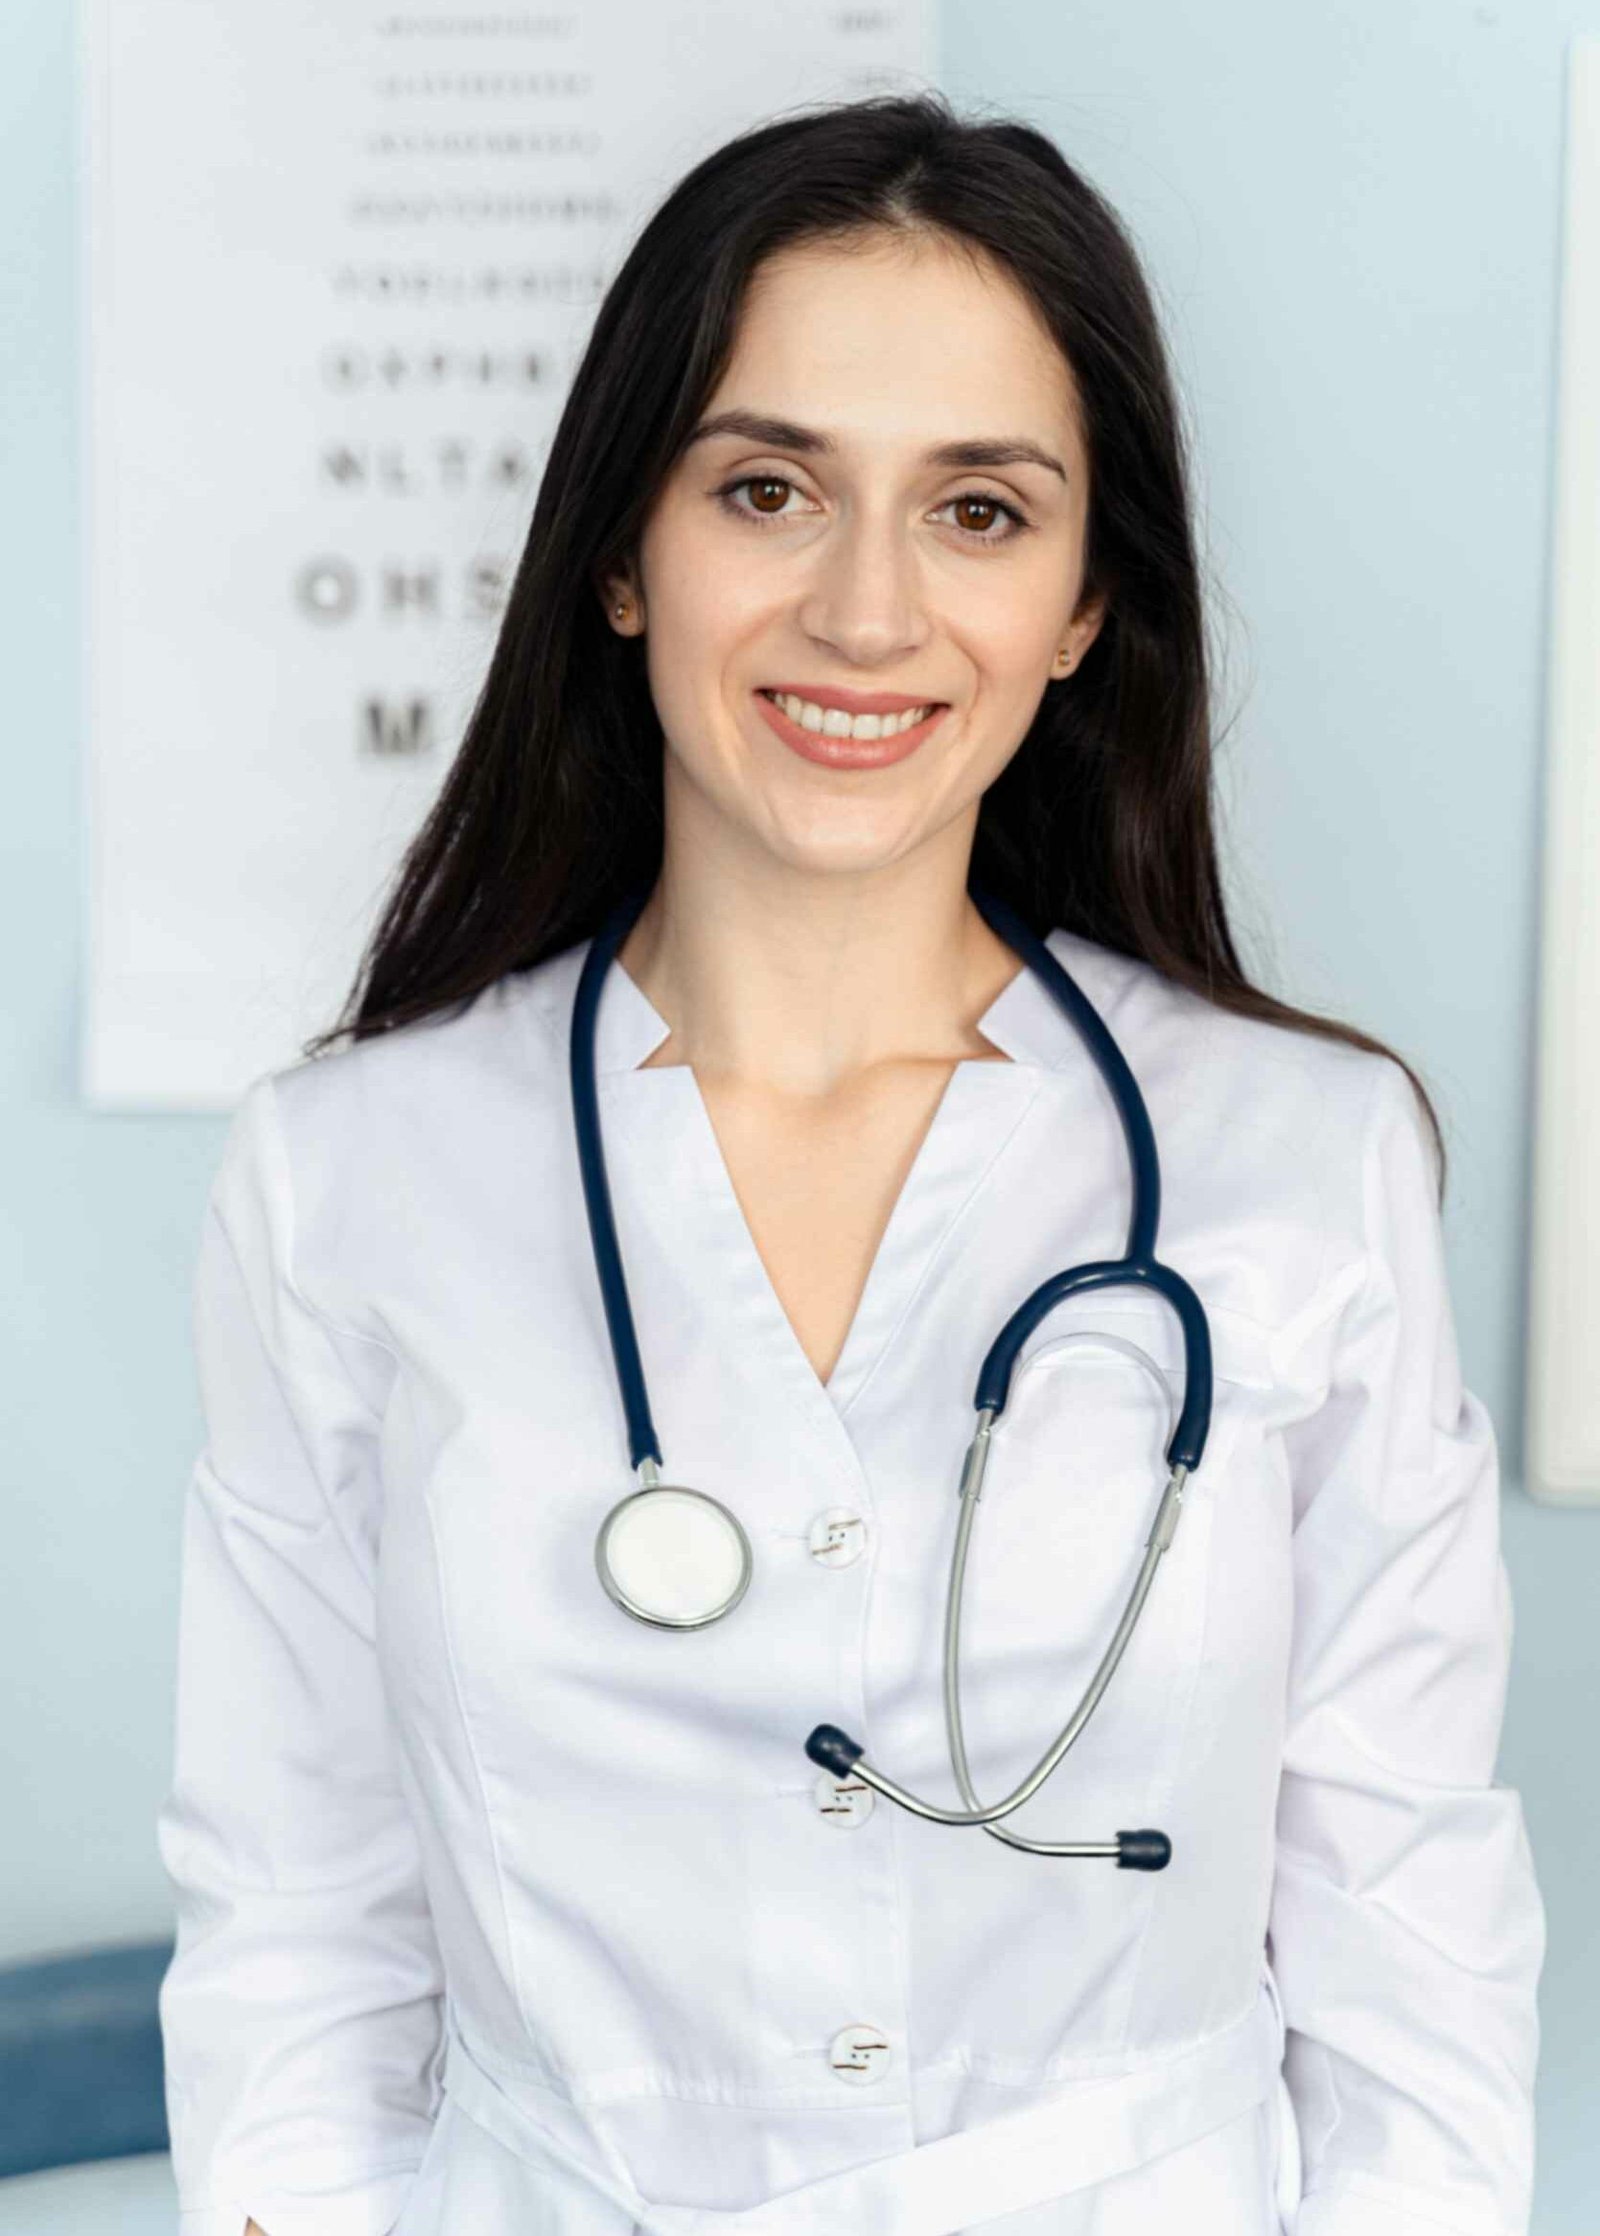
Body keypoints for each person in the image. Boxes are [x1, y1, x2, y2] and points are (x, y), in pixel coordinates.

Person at [156, 90, 1544, 2236]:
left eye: (979, 510)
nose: (866, 607)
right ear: (623, 550)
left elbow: (1406, 1931)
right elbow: (297, 1922)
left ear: (1088, 602)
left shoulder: (1302, 1162)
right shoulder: (346, 1175)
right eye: (769, 486)